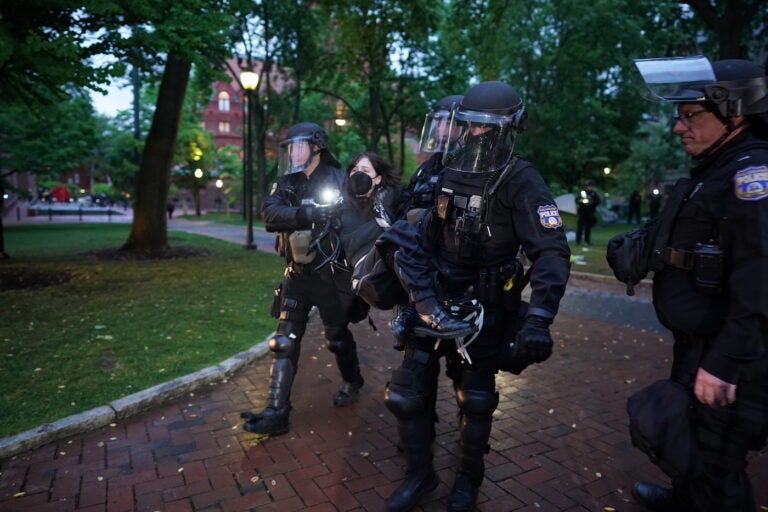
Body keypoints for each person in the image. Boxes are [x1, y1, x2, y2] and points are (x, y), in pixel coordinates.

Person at [378, 81, 571, 512]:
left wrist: (539, 317)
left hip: (486, 307)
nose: (471, 134)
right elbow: (426, 230)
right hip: (434, 302)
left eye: (482, 127)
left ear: (507, 129)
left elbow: (552, 251)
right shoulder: (449, 168)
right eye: (467, 125)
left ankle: (468, 479)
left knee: (477, 399)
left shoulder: (522, 180)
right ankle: (419, 475)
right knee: (408, 393)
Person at [629, 56, 768, 512]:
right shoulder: (714, 169)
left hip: (730, 354)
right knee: (689, 444)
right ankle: (683, 500)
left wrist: (724, 362)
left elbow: (759, 276)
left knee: (717, 463)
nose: (678, 127)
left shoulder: (752, 174)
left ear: (736, 113)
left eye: (691, 116)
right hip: (697, 344)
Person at [240, 122, 364, 436]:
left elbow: (359, 218)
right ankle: (276, 412)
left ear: (316, 147)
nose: (292, 152)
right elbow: (269, 215)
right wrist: (309, 214)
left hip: (330, 276)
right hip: (296, 275)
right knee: (283, 342)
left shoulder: (340, 179)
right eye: (290, 147)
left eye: (298, 146)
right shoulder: (287, 182)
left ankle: (353, 380)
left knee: (336, 340)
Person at [400, 94, 463, 221]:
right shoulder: (430, 164)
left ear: (464, 126)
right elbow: (407, 200)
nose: (440, 129)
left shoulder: (470, 167)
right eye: (438, 122)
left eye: (447, 123)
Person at [575, 179, 600, 244]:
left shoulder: (593, 193)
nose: (590, 187)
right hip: (582, 212)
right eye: (589, 186)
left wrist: (592, 202)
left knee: (588, 227)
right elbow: (577, 200)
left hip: (590, 212)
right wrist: (583, 202)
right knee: (580, 227)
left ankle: (587, 240)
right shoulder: (582, 193)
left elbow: (598, 201)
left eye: (591, 186)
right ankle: (578, 241)